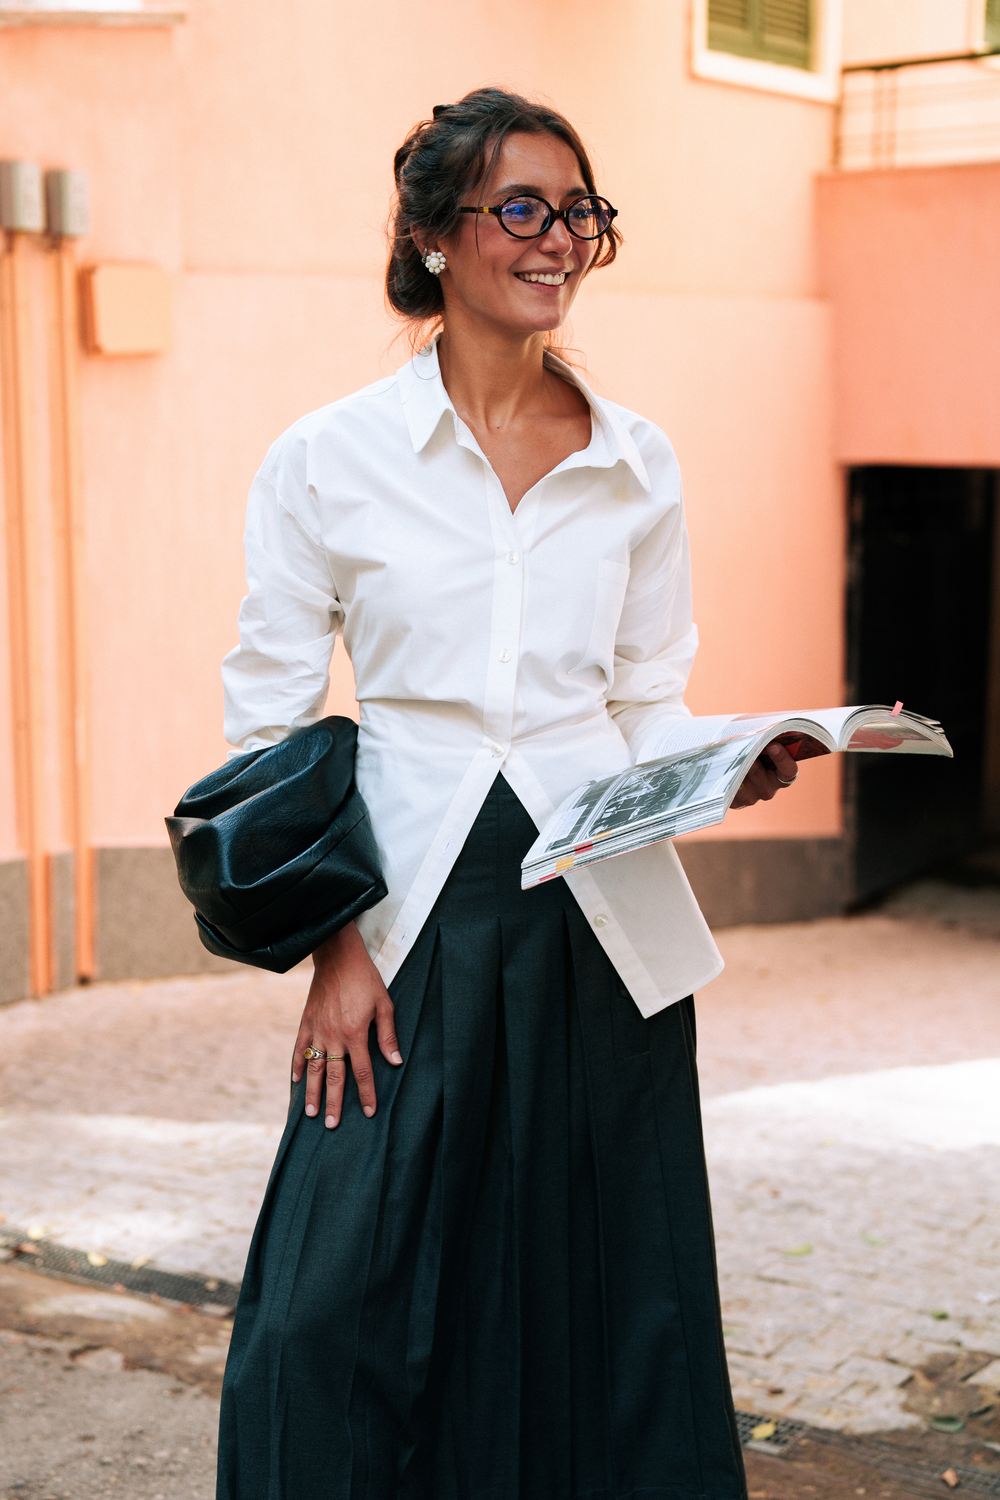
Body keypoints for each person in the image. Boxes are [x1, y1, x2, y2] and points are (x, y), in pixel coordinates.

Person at [216, 86, 799, 1500]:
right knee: (325, 1310)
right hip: (407, 918)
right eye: (521, 209)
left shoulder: (634, 458)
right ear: (431, 237)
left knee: (609, 1306)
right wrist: (331, 944)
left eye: (579, 213)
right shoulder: (328, 458)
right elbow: (266, 721)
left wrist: (729, 760)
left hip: (597, 919)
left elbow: (644, 698)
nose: (557, 242)